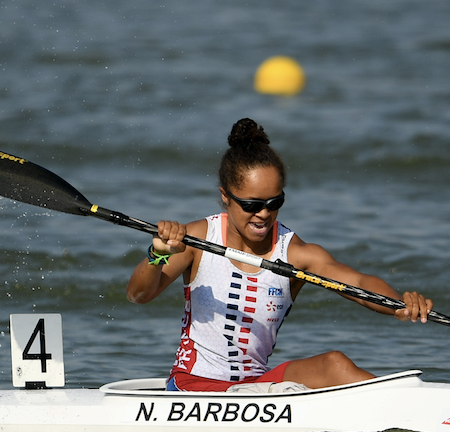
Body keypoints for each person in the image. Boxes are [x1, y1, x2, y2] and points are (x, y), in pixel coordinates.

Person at [127, 118, 433, 391]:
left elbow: (357, 282)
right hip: (192, 385)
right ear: (225, 197)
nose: (264, 214)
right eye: (252, 205)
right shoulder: (196, 239)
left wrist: (398, 305)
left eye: (275, 203)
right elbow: (138, 295)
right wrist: (158, 254)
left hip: (255, 385)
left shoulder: (295, 253)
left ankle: (410, 406)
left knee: (335, 364)